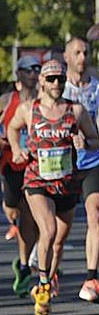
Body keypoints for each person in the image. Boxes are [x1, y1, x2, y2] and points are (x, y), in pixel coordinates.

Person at [6, 54, 99, 315]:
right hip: (36, 181)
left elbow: (95, 140)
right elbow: (12, 128)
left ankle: (46, 279)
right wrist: (16, 149)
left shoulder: (76, 111)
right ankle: (44, 286)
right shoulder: (28, 109)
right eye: (51, 78)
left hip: (67, 183)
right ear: (42, 82)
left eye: (60, 78)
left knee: (59, 240)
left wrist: (85, 142)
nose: (57, 82)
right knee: (47, 230)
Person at [63, 36, 99, 305]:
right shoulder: (56, 86)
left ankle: (91, 278)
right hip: (63, 163)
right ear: (67, 57)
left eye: (86, 52)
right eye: (77, 52)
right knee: (60, 229)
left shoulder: (97, 86)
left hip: (92, 159)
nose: (82, 57)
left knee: (95, 215)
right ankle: (45, 271)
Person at [1, 55, 40, 297]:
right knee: (12, 207)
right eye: (29, 70)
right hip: (10, 163)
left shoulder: (42, 101)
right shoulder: (7, 100)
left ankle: (25, 265)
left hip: (35, 165)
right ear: (19, 74)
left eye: (37, 70)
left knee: (29, 216)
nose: (33, 74)